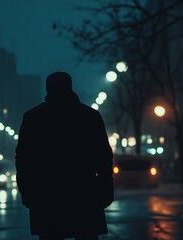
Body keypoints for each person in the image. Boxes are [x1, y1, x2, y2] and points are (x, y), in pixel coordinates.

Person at [15, 71, 114, 240]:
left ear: (48, 89)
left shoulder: (33, 118)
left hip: (46, 195)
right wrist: (105, 191)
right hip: (84, 193)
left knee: (51, 235)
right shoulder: (90, 116)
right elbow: (103, 158)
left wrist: (27, 193)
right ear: (70, 87)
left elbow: (24, 161)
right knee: (86, 234)